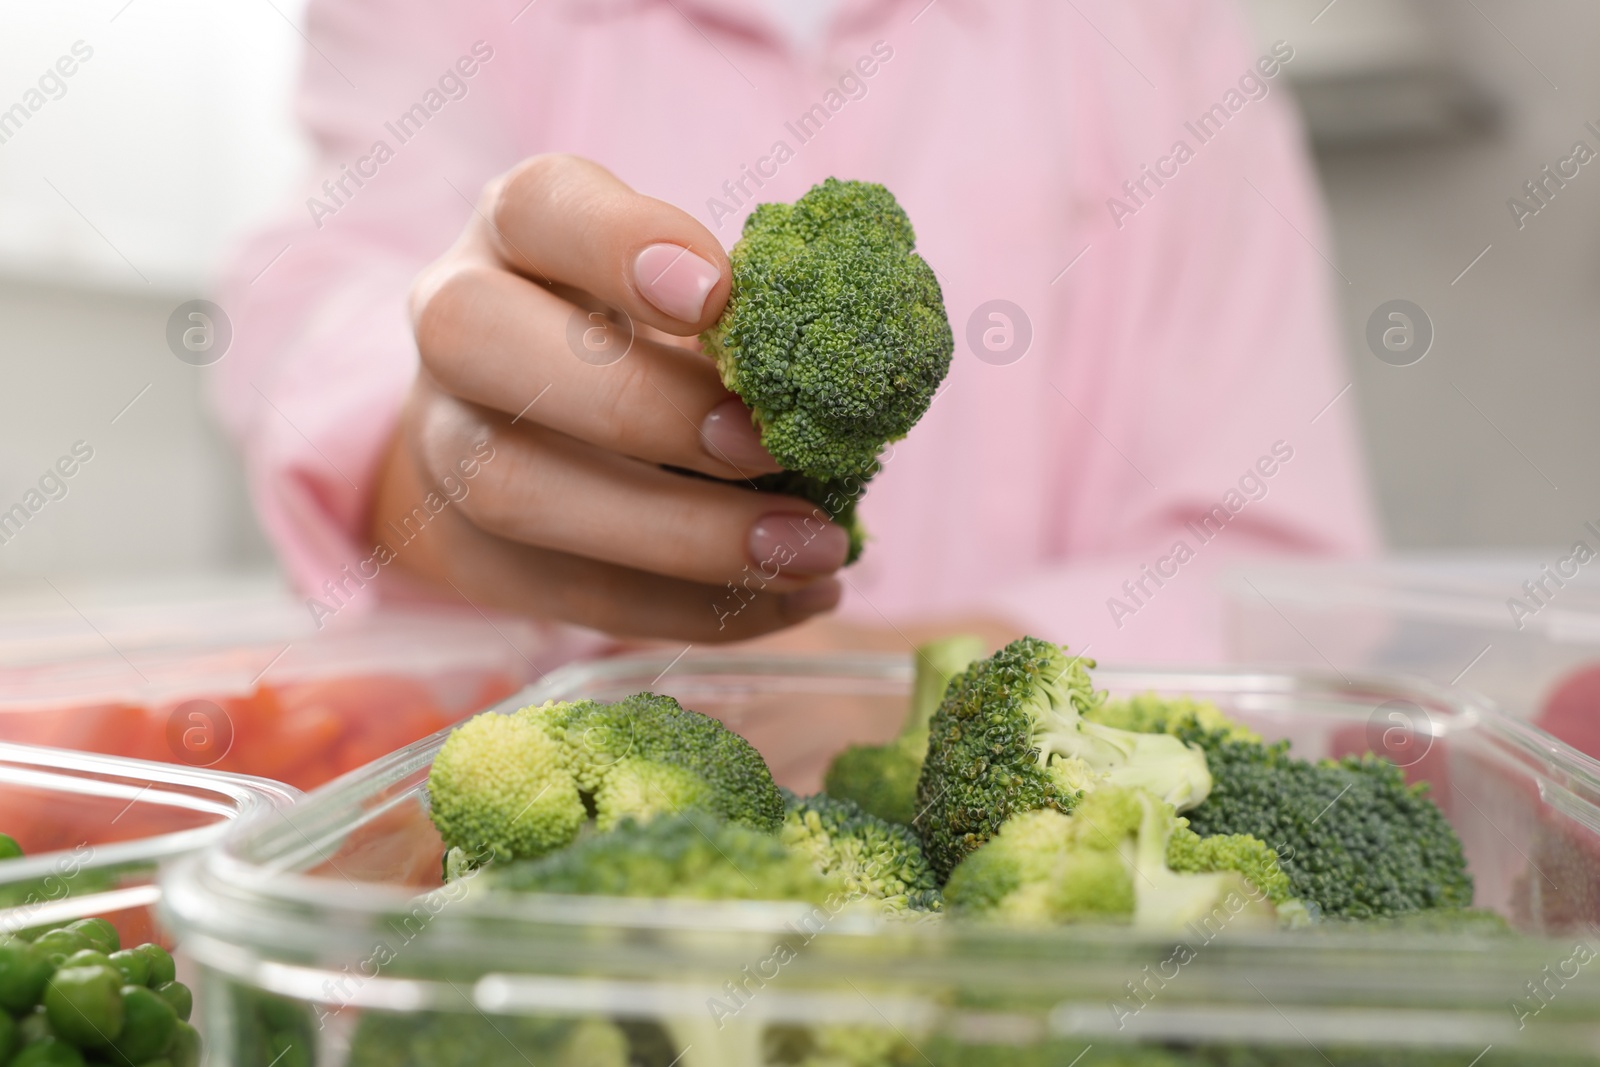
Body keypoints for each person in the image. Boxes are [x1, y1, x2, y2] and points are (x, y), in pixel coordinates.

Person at [213, 0, 1377, 665]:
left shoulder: (1157, 33)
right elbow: (328, 291)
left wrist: (888, 685)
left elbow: (1279, 579)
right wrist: (426, 441)